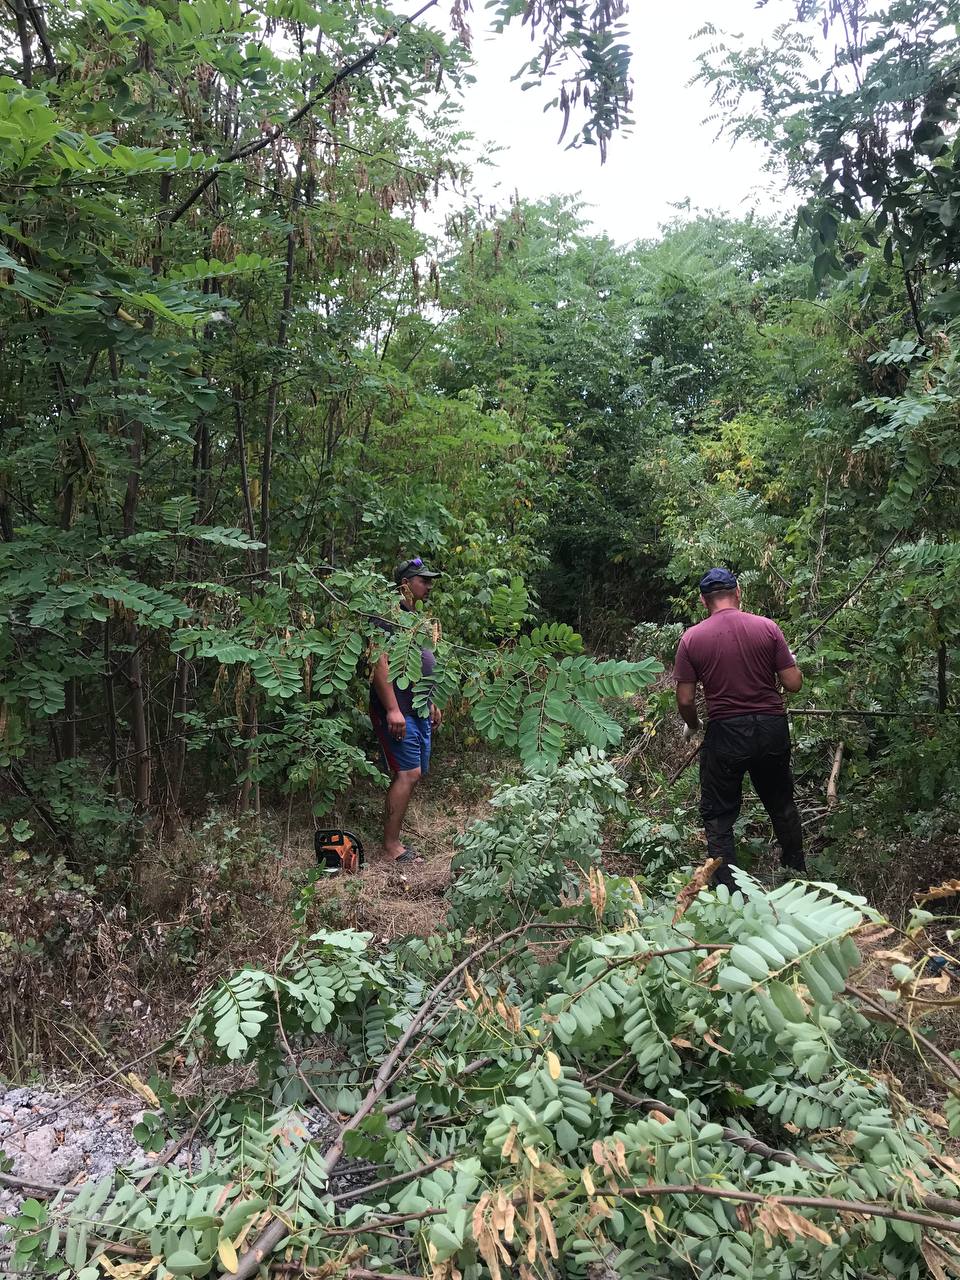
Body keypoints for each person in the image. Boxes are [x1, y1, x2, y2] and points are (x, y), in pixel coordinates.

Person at [673, 567, 805, 890]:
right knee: (781, 801)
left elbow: (686, 699)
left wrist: (694, 725)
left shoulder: (692, 639)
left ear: (704, 601)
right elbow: (794, 684)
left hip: (727, 732)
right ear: (738, 592)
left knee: (718, 814)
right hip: (771, 728)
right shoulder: (768, 628)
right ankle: (797, 874)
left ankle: (730, 891)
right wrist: (787, 662)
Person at [369, 557, 443, 865]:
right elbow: (378, 663)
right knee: (407, 773)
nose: (428, 586)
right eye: (423, 580)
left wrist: (431, 702)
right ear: (405, 583)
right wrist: (392, 709)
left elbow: (420, 666)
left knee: (413, 774)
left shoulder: (414, 620)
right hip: (398, 711)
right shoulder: (386, 617)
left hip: (418, 709)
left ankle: (393, 835)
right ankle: (391, 846)